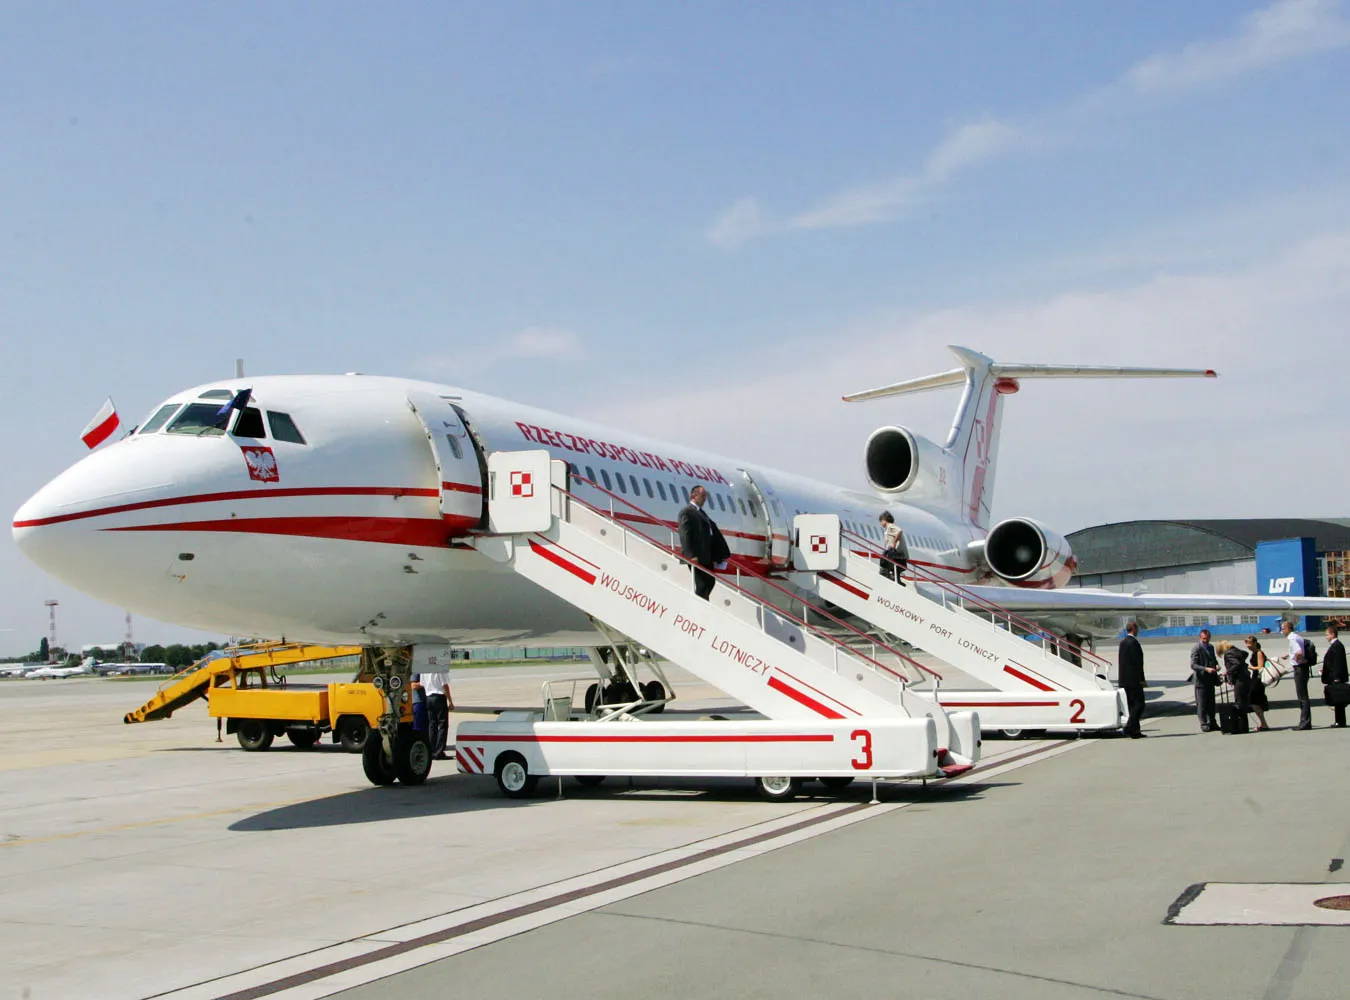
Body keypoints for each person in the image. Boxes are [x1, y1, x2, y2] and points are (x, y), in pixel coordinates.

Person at [678, 485, 730, 600]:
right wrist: (691, 556)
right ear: (693, 496)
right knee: (702, 583)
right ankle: (700, 605)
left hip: (706, 556)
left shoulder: (701, 512)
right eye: (702, 496)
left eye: (705, 496)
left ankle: (703, 602)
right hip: (696, 556)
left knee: (710, 581)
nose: (705, 499)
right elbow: (685, 534)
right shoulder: (687, 512)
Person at [1281, 620, 1312, 730]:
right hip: (1303, 668)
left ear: (1288, 629)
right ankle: (1305, 721)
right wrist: (1289, 655)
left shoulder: (1292, 638)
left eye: (1283, 629)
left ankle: (1305, 722)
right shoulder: (1297, 637)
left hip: (1299, 668)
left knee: (1302, 696)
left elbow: (1299, 652)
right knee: (1303, 695)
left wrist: (1296, 659)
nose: (1282, 631)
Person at [1117, 621, 1146, 738]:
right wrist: (1141, 679)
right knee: (1140, 704)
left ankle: (1135, 731)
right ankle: (1129, 728)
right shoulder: (1133, 643)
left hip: (1124, 680)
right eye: (1137, 628)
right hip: (1134, 680)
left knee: (1131, 706)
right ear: (1134, 628)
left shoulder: (1123, 642)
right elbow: (1137, 663)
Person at [1219, 640, 1251, 734]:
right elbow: (1245, 653)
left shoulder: (1228, 653)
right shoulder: (1235, 650)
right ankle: (1243, 726)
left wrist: (1228, 671)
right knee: (1243, 701)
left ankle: (1240, 726)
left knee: (1239, 702)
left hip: (1239, 679)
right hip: (1245, 677)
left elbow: (1236, 663)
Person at [1190, 628, 1219, 732]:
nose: (1205, 640)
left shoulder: (1210, 647)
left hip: (1210, 679)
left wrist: (1216, 665)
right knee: (1201, 703)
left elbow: (1213, 659)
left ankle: (1212, 722)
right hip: (1201, 680)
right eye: (1203, 639)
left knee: (1211, 703)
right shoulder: (1196, 648)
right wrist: (1206, 669)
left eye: (1207, 638)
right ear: (1200, 638)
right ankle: (1204, 723)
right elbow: (1193, 665)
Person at [422, 668, 453, 759]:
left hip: (428, 697)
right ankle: (439, 751)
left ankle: (432, 750)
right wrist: (450, 701)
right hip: (438, 696)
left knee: (432, 724)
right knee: (443, 725)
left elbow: (422, 684)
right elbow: (445, 685)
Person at [1321, 624, 1348, 728]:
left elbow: (1337, 662)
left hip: (1336, 677)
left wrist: (1336, 677)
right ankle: (1339, 720)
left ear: (1332, 634)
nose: (1326, 637)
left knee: (1338, 699)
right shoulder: (1336, 645)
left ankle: (1340, 721)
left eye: (1327, 635)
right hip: (1333, 675)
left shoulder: (1337, 646)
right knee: (1338, 700)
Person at [1244, 635, 1271, 731]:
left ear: (1255, 643)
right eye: (1247, 644)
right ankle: (1263, 723)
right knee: (1255, 701)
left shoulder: (1259, 653)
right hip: (1255, 678)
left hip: (1259, 679)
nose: (1248, 646)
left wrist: (1248, 666)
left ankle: (1264, 724)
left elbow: (1260, 667)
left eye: (1250, 643)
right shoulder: (1254, 653)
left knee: (1253, 701)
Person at [878, 511, 909, 584]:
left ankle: (886, 573)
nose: (880, 523)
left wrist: (894, 542)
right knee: (894, 565)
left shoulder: (890, 526)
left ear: (885, 520)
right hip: (898, 553)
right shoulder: (888, 528)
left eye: (881, 521)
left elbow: (899, 531)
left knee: (884, 559)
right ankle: (897, 580)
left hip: (896, 552)